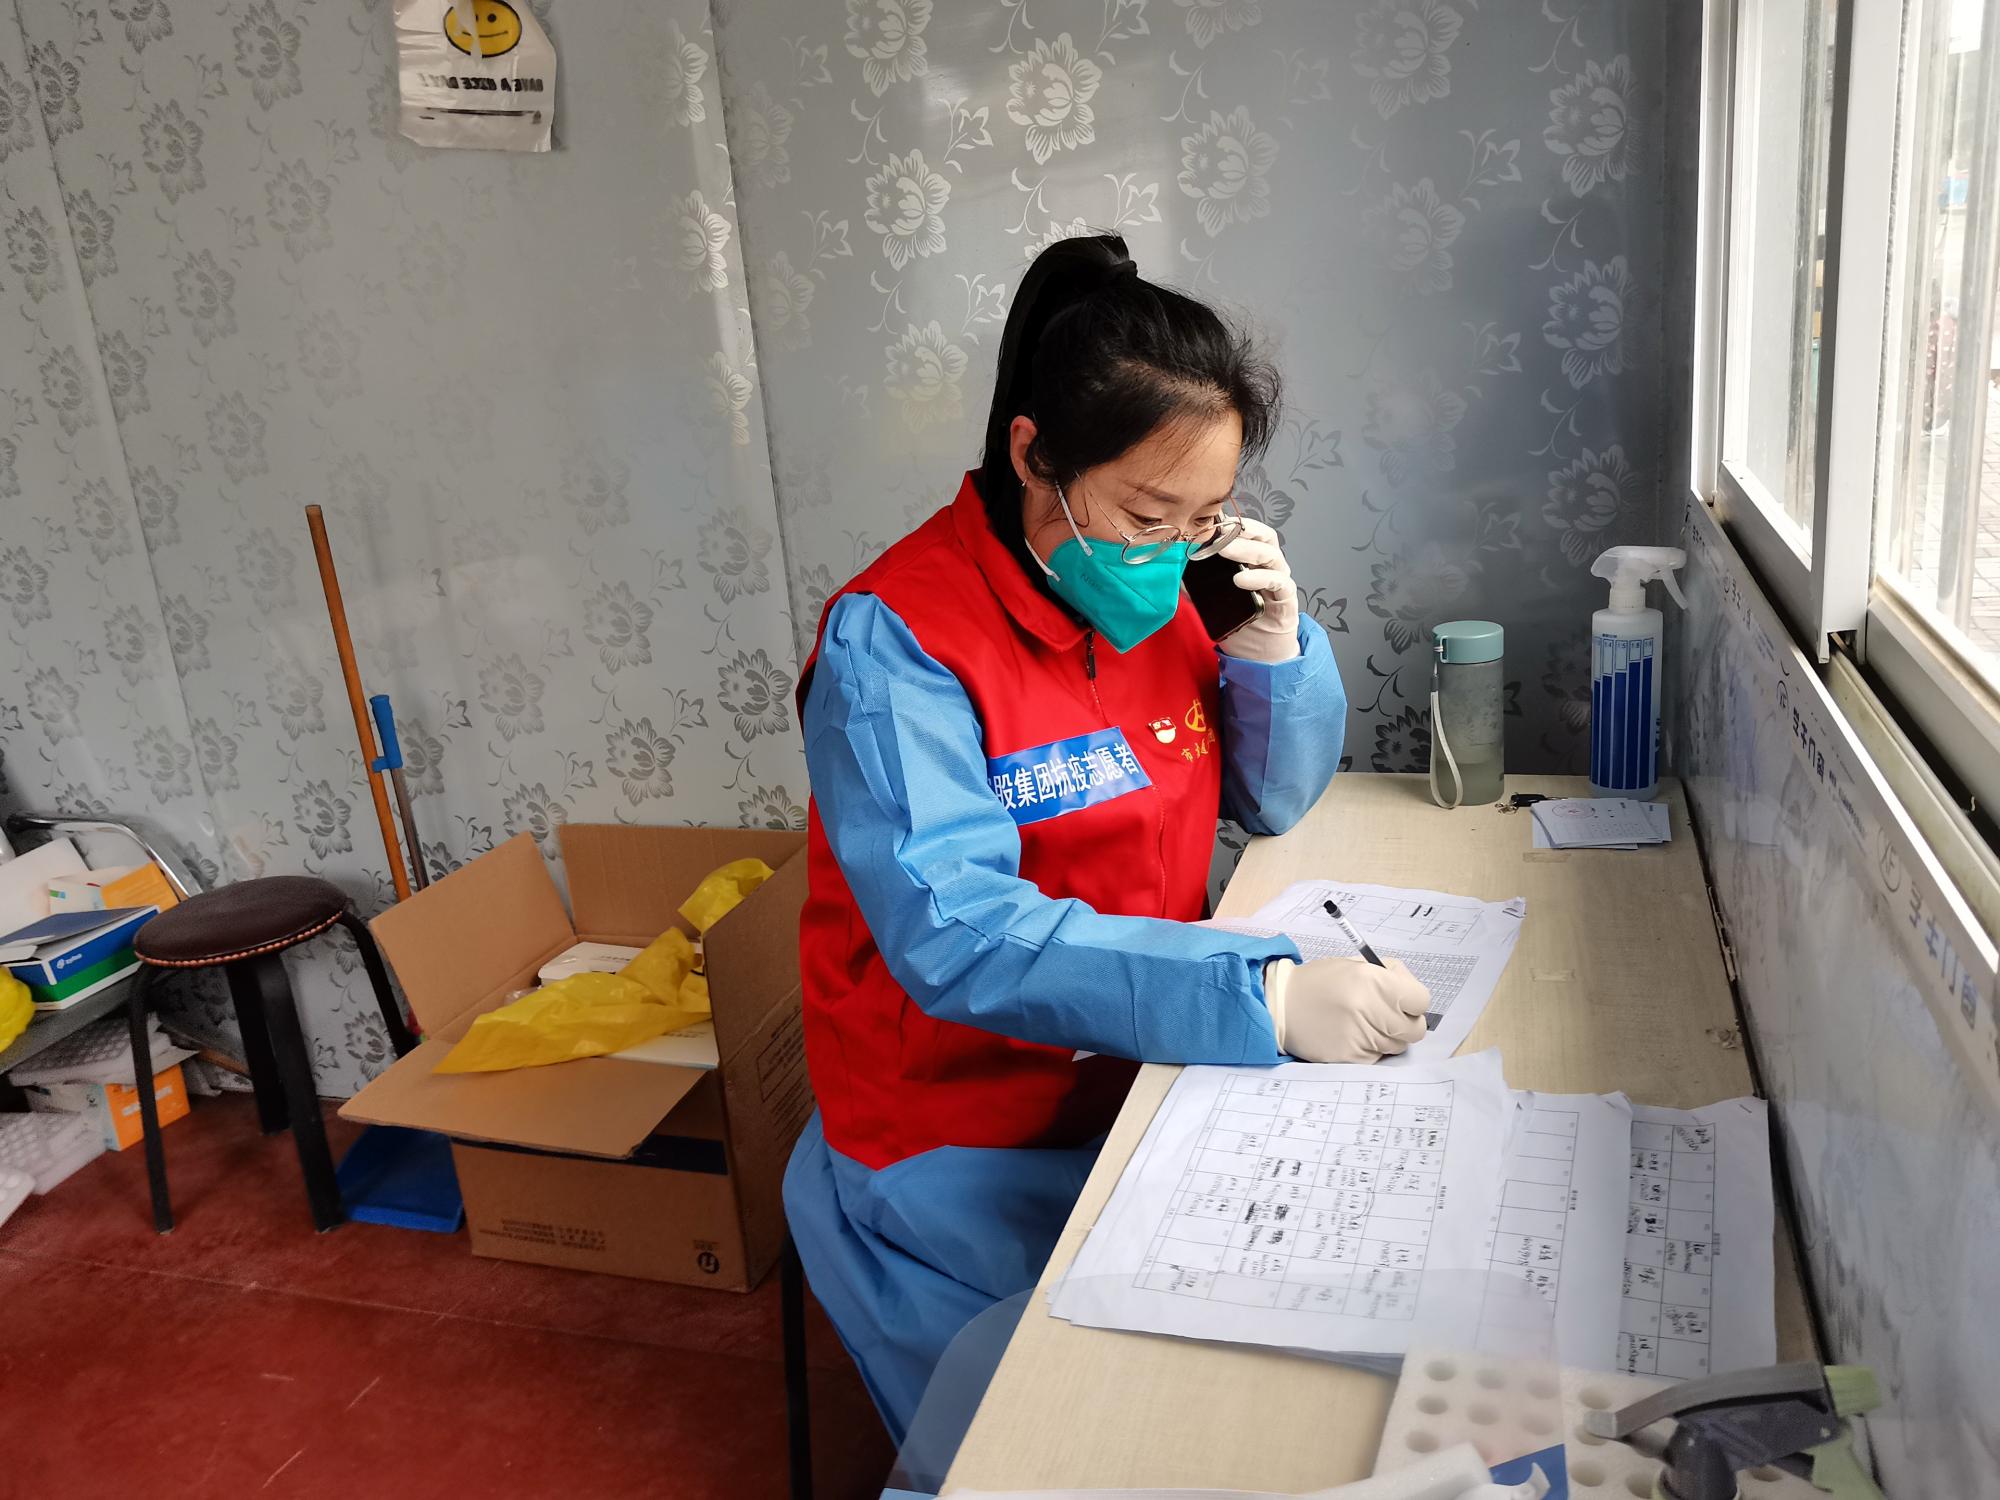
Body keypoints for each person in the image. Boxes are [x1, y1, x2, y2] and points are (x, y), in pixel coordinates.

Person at [783, 234, 1432, 1444]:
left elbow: (1269, 802)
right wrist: (1259, 994)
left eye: (1202, 518)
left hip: (1146, 1073)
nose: (1167, 551)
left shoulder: (1161, 588)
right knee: (1071, 1441)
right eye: (1144, 513)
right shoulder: (897, 642)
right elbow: (958, 935)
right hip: (962, 1133)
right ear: (1034, 453)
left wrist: (1274, 650)